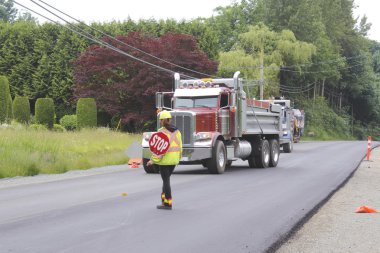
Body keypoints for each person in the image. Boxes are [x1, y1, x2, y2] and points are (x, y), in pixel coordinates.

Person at [147, 110, 182, 210]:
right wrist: (178, 158)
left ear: (162, 120)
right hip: (174, 160)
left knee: (166, 181)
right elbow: (180, 146)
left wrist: (152, 160)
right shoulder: (177, 131)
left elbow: (158, 149)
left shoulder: (161, 132)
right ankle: (164, 202)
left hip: (165, 161)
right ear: (169, 120)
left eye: (160, 120)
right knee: (165, 180)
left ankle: (168, 204)